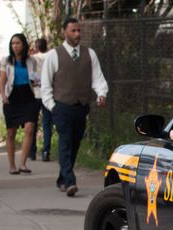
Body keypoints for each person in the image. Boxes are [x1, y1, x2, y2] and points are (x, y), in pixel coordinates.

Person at [41, 17, 108, 197]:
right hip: (61, 107)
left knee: (75, 143)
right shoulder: (54, 55)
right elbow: (46, 84)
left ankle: (62, 178)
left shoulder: (90, 54)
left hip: (81, 107)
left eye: (79, 31)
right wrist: (52, 106)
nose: (77, 34)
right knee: (65, 142)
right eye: (73, 31)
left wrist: (101, 94)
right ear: (65, 32)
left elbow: (98, 78)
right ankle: (70, 181)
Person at [0, 33, 39, 175]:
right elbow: (2, 80)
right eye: (13, 43)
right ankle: (12, 165)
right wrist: (3, 96)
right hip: (12, 97)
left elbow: (35, 79)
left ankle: (23, 163)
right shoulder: (6, 61)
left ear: (23, 45)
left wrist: (36, 82)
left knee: (29, 128)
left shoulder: (31, 61)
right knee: (11, 132)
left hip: (28, 97)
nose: (15, 46)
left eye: (18, 43)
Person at [29, 38, 53, 162]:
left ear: (36, 47)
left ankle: (32, 151)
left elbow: (31, 75)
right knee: (47, 124)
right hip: (48, 94)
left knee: (32, 123)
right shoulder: (52, 56)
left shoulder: (33, 58)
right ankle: (46, 152)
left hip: (35, 94)